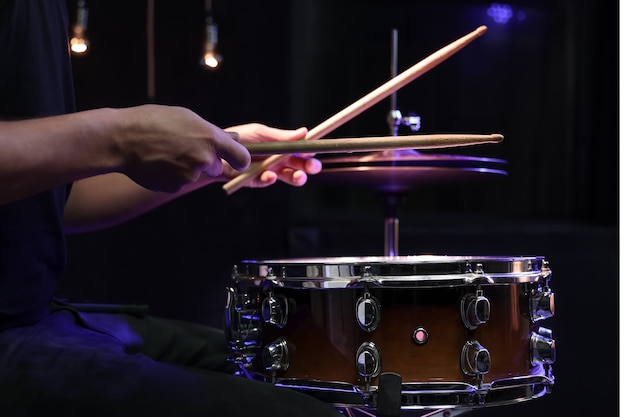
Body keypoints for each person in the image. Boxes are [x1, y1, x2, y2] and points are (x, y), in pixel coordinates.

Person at [0, 1, 342, 416]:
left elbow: (50, 202)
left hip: (36, 315)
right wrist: (120, 136)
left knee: (313, 373)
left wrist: (220, 159)